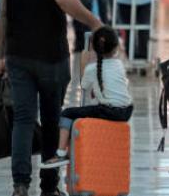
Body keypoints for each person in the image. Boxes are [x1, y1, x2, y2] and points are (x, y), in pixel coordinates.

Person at [0, 0, 102, 196]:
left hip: (17, 53)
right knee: (54, 118)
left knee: (24, 120)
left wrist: (1, 54)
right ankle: (49, 188)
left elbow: (4, 11)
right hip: (51, 55)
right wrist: (95, 22)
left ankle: (19, 188)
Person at [40, 26, 134, 169]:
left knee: (67, 114)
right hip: (126, 111)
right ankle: (69, 151)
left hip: (109, 112)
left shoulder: (92, 68)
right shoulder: (119, 64)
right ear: (115, 48)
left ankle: (60, 153)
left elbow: (84, 86)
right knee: (87, 111)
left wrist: (84, 61)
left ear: (95, 49)